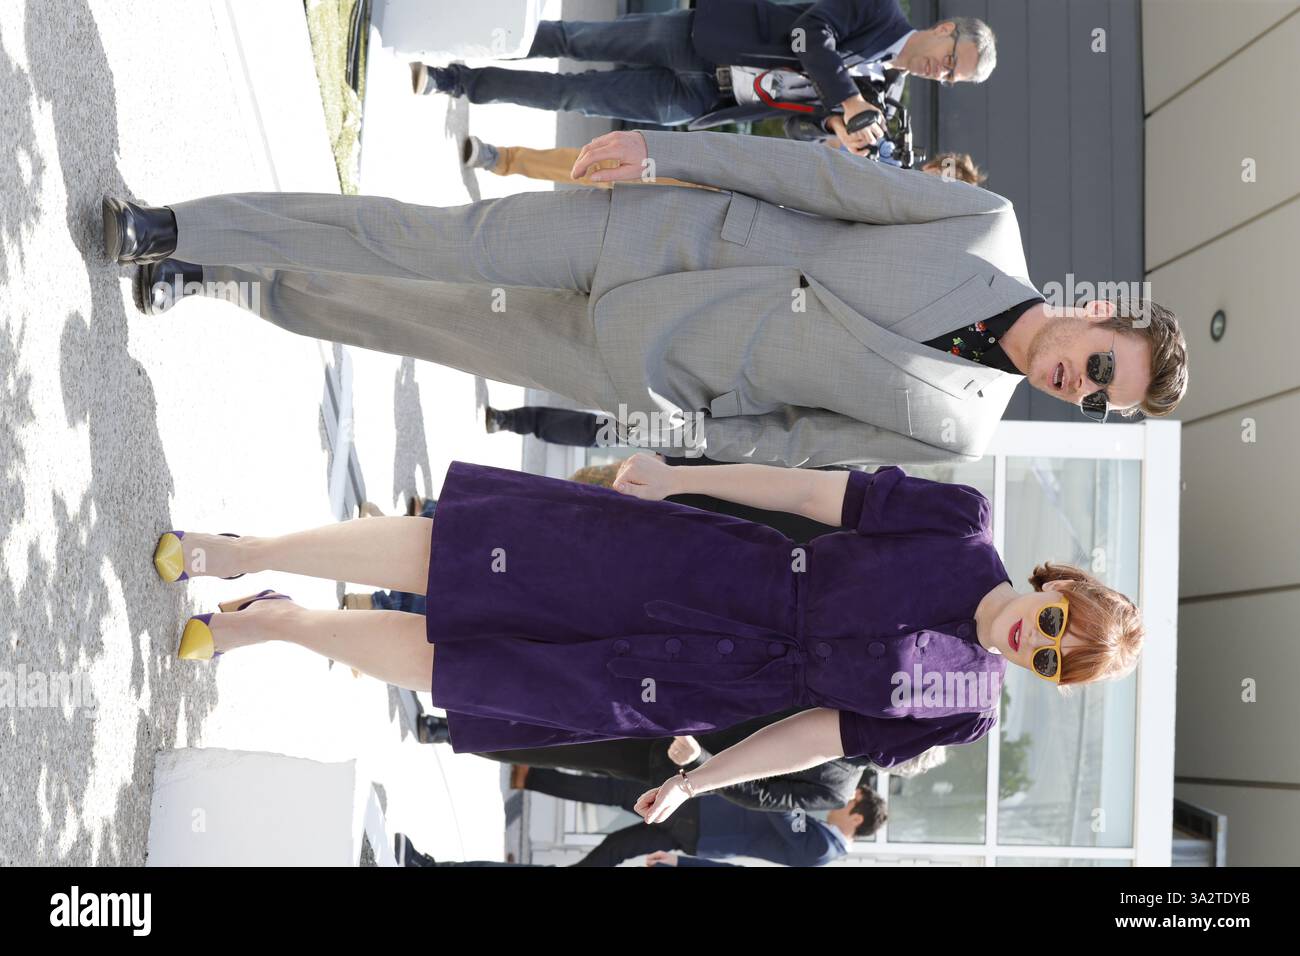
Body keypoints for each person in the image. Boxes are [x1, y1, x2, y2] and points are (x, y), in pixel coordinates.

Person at [149, 452, 1145, 826]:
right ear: (1058, 584)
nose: (1034, 640)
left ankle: (274, 626)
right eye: (1056, 622)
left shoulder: (964, 705)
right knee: (460, 552)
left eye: (1051, 661)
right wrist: (677, 477)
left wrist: (696, 781)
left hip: (702, 680)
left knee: (463, 667)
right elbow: (810, 493)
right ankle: (244, 554)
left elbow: (821, 735)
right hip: (701, 563)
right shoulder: (958, 520)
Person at [104, 128, 1188, 468]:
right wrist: (660, 149)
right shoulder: (982, 223)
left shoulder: (960, 430)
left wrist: (688, 427)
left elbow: (798, 447)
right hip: (656, 234)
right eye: (1103, 369)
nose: (1078, 386)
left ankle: (225, 280)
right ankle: (178, 225)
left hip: (643, 364)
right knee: (424, 239)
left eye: (1099, 403)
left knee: (410, 320)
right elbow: (818, 178)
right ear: (1102, 315)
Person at [410, 1, 997, 155]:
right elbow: (811, 33)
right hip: (703, 38)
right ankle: (452, 49)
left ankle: (456, 83)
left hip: (706, 100)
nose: (941, 74)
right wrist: (845, 97)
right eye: (951, 60)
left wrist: (838, 135)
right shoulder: (880, 13)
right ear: (945, 29)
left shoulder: (881, 103)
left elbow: (798, 129)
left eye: (953, 80)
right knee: (572, 40)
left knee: (575, 93)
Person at [393, 783, 882, 868]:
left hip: (696, 824)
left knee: (609, 821)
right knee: (604, 850)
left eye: (849, 800)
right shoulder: (821, 842)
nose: (839, 802)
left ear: (855, 818)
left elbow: (775, 809)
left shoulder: (820, 849)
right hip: (692, 826)